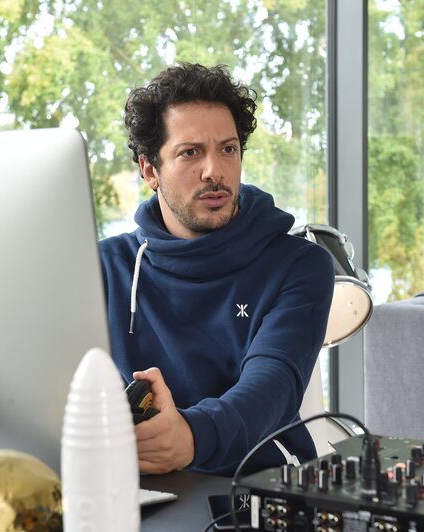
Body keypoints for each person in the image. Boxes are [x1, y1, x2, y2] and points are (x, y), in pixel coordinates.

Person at [99, 62, 335, 477]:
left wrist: (191, 436)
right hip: (134, 486)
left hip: (258, 486)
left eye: (228, 149)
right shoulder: (105, 267)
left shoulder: (299, 264)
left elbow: (272, 383)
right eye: (190, 152)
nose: (215, 171)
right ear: (150, 170)